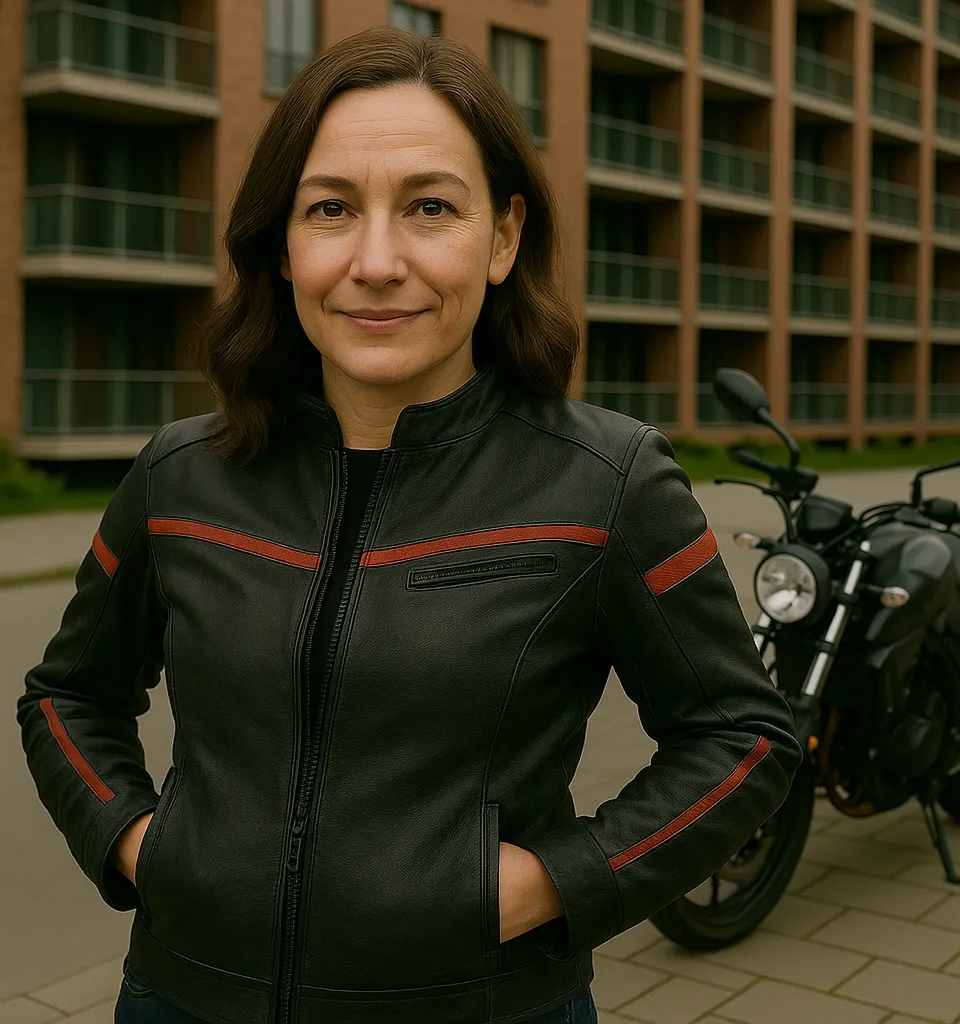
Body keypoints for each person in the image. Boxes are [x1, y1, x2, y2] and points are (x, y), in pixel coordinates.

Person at [17, 25, 802, 1024]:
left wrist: (554, 882)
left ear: (505, 235)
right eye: (332, 209)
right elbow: (66, 696)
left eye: (430, 206)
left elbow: (740, 738)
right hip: (180, 998)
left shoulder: (610, 481)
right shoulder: (183, 473)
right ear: (283, 241)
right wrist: (138, 841)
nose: (376, 260)